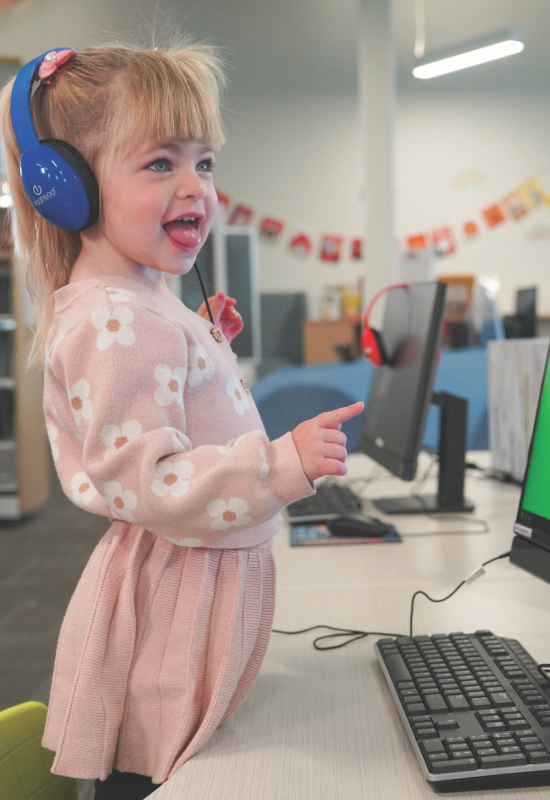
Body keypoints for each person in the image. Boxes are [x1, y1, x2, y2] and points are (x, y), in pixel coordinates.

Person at [0, 42, 363, 799]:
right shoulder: (120, 322)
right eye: (161, 163)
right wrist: (281, 462)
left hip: (190, 585)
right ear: (65, 189)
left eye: (206, 163)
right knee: (173, 779)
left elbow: (152, 405)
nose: (196, 186)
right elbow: (154, 482)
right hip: (176, 602)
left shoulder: (136, 306)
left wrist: (198, 335)